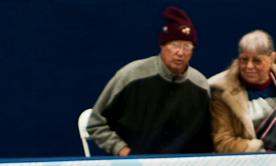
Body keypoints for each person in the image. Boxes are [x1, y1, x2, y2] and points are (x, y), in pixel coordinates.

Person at [86, 6, 212, 156]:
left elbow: (205, 139)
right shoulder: (131, 75)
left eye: (187, 46)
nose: (180, 52)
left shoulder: (200, 85)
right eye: (175, 45)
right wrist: (124, 152)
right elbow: (96, 123)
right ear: (162, 45)